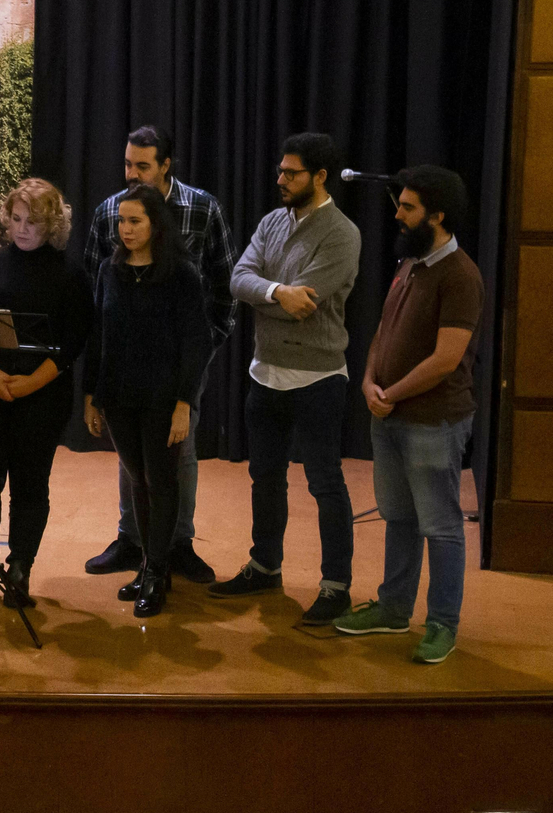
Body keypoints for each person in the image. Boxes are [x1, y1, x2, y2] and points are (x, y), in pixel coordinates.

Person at [334, 166, 483, 664]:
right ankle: (394, 609)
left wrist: (389, 392)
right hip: (390, 414)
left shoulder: (460, 274)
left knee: (440, 526)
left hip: (432, 422)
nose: (397, 215)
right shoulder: (411, 262)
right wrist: (369, 378)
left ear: (437, 216)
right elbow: (383, 326)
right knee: (398, 518)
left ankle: (443, 623)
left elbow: (447, 359)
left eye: (408, 207)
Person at [214, 133, 361, 622]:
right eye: (281, 171)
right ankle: (265, 565)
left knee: (325, 484)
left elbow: (307, 306)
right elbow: (238, 279)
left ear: (319, 177)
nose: (280, 179)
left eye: (291, 173)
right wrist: (277, 291)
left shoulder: (342, 233)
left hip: (318, 378)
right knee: (265, 478)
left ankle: (336, 585)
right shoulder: (272, 221)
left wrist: (266, 297)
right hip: (265, 374)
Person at [83, 125, 236, 583]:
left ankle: (175, 547)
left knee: (175, 455)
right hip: (125, 370)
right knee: (134, 463)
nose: (132, 174)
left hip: (180, 362)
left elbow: (224, 281)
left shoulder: (202, 208)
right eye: (128, 164)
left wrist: (204, 348)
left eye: (143, 166)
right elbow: (97, 299)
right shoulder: (110, 210)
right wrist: (94, 387)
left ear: (166, 165)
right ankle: (135, 541)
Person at [0, 179, 92, 607]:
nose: (23, 228)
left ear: (52, 224)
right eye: (16, 219)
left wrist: (28, 383)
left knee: (30, 486)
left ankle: (21, 570)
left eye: (34, 221)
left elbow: (73, 342)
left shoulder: (71, 272)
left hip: (42, 397)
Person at [82, 186, 211, 617]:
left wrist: (184, 403)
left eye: (135, 221)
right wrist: (91, 396)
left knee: (161, 479)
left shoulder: (181, 274)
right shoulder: (108, 270)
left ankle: (158, 570)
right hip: (119, 395)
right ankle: (147, 563)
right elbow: (98, 338)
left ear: (155, 224)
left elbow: (196, 343)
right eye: (121, 221)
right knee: (137, 478)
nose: (125, 229)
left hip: (162, 397)